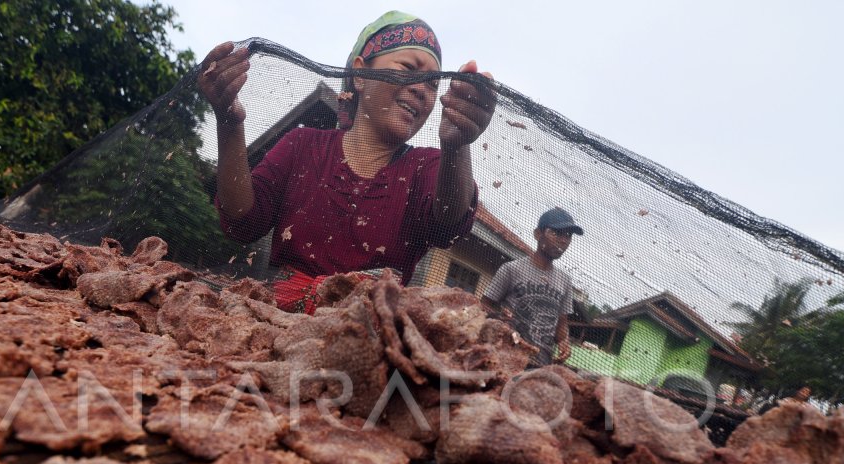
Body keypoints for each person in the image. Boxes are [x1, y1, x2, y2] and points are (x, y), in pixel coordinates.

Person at [197, 12, 496, 312]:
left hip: (372, 337)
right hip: (277, 323)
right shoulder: (303, 146)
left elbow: (449, 220)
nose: (422, 89)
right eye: (408, 69)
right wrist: (229, 123)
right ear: (361, 75)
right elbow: (242, 221)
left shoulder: (425, 167)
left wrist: (457, 145)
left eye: (433, 84)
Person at [481, 207, 584, 366]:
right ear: (538, 234)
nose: (563, 240)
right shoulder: (512, 269)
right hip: (503, 357)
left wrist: (564, 342)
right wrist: (499, 319)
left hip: (540, 365)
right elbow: (484, 305)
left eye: (568, 235)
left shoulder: (565, 281)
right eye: (556, 233)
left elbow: (562, 325)